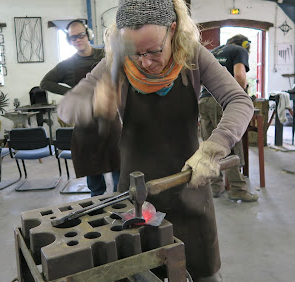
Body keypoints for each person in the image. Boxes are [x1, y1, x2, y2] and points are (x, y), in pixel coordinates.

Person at [58, 1, 253, 281]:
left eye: (154, 51)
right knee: (139, 272)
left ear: (172, 30)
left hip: (190, 189)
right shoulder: (116, 62)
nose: (145, 62)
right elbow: (68, 107)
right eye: (136, 53)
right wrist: (92, 104)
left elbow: (239, 101)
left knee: (203, 273)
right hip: (136, 200)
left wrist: (215, 146)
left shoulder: (194, 57)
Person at [40, 19, 120, 196]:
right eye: (72, 38)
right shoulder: (67, 65)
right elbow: (45, 82)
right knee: (95, 185)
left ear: (88, 35)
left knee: (120, 180)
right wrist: (70, 92)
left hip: (111, 122)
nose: (77, 40)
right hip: (86, 127)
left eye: (81, 35)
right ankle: (97, 214)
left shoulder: (105, 56)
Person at [199, 35, 258, 202]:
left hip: (203, 100)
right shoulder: (239, 51)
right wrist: (239, 99)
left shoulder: (212, 51)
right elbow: (239, 76)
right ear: (244, 45)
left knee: (210, 144)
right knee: (229, 144)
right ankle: (238, 189)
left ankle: (215, 186)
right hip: (222, 101)